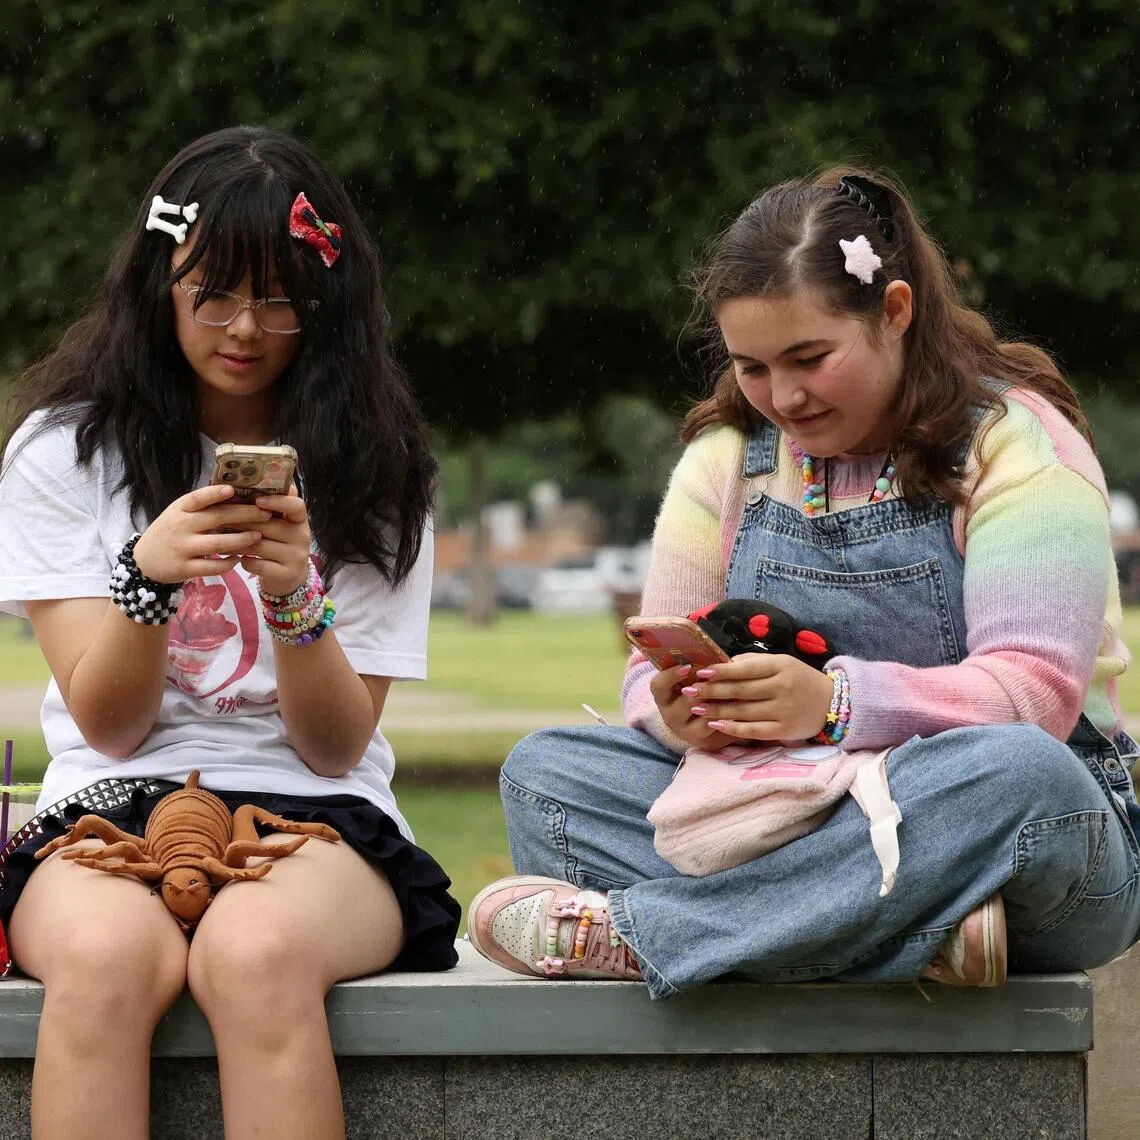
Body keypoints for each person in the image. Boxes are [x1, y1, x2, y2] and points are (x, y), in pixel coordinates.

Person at [467, 168, 1140, 998]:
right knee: (548, 774)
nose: (783, 397)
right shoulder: (725, 460)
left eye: (810, 358)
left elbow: (1035, 694)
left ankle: (657, 934)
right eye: (751, 366)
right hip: (776, 813)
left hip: (1002, 832)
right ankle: (904, 928)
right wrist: (678, 712)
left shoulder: (1016, 446)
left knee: (1021, 776)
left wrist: (831, 707)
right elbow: (647, 674)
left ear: (894, 312)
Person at [0, 126, 460, 1139]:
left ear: (326, 305)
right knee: (107, 960)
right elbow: (110, 727)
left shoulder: (379, 468)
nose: (245, 326)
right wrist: (146, 577)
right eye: (212, 291)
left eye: (280, 297)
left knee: (254, 954)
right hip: (108, 803)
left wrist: (297, 599)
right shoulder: (63, 452)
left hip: (320, 813)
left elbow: (336, 746)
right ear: (160, 284)